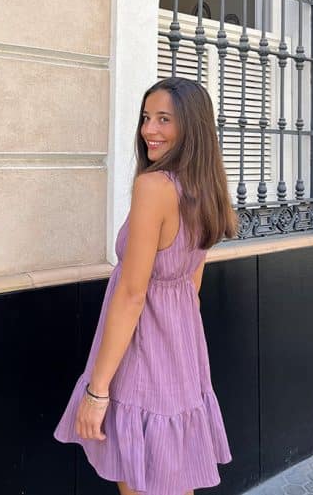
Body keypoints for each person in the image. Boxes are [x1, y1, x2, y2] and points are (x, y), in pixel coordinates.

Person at [53, 77, 238, 495]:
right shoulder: (204, 188)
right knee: (169, 479)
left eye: (163, 120)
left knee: (141, 482)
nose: (148, 130)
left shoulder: (154, 188)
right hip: (180, 348)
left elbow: (133, 292)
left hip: (142, 352)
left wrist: (97, 391)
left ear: (191, 127)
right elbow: (192, 282)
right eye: (145, 118)